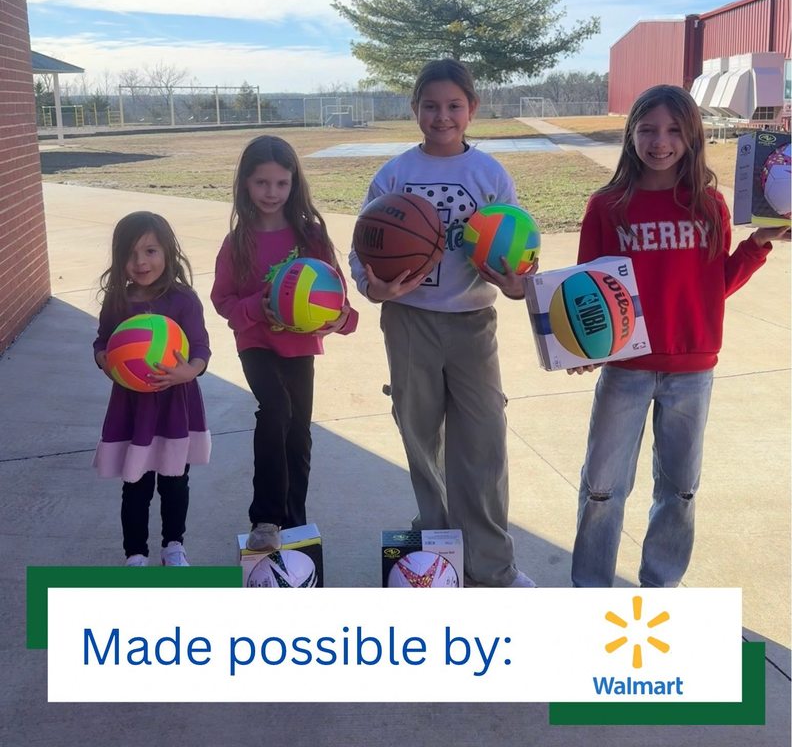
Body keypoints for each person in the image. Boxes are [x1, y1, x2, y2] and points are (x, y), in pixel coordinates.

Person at [569, 84, 790, 588]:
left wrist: (758, 244)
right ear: (632, 135)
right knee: (603, 487)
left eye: (673, 130)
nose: (660, 141)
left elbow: (714, 287)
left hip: (692, 370)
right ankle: (590, 589)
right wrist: (582, 345)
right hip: (626, 368)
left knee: (681, 488)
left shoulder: (709, 204)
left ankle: (661, 586)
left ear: (692, 137)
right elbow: (588, 290)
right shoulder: (607, 206)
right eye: (647, 129)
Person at [349, 58, 536, 588]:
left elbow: (518, 251)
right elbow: (362, 247)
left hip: (473, 321)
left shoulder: (489, 174)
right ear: (415, 110)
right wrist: (371, 286)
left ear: (472, 109)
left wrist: (516, 282)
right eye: (430, 106)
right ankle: (437, 553)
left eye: (454, 105)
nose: (442, 116)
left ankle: (494, 565)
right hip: (408, 320)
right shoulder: (394, 174)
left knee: (482, 443)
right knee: (421, 437)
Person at [211, 135, 358, 554]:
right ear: (245, 185)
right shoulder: (237, 242)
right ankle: (266, 517)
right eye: (261, 183)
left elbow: (336, 296)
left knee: (298, 433)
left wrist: (340, 320)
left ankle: (294, 523)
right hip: (255, 343)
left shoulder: (310, 238)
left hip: (299, 347)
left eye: (280, 183)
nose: (271, 193)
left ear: (294, 184)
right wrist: (259, 306)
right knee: (275, 410)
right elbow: (223, 301)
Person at [93, 212, 211, 567]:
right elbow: (101, 343)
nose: (140, 262)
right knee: (136, 484)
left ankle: (173, 545)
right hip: (133, 408)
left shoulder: (184, 301)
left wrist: (187, 372)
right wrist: (107, 360)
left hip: (175, 404)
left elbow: (202, 349)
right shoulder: (118, 301)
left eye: (150, 251)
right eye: (130, 254)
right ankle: (135, 553)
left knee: (175, 482)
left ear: (168, 253)